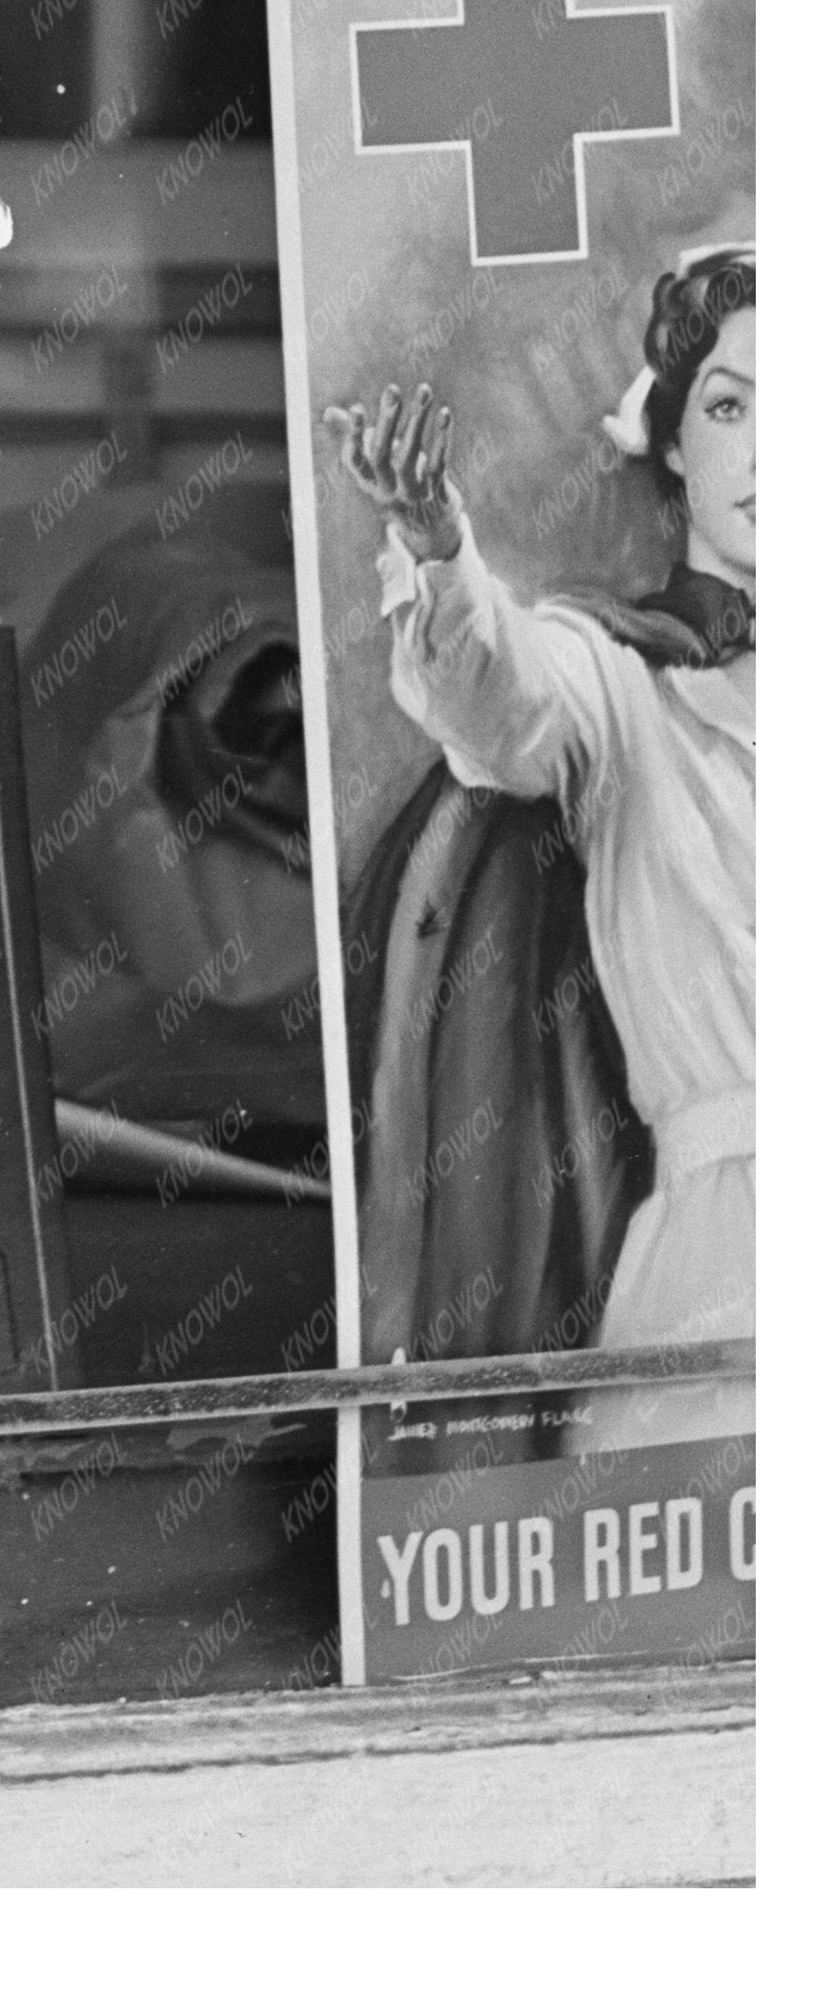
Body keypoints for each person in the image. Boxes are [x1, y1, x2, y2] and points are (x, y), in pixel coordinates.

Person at [332, 234, 754, 1444]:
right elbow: (493, 695)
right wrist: (434, 546)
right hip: (725, 1254)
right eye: (729, 406)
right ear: (671, 444)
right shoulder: (622, 688)